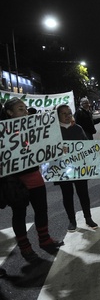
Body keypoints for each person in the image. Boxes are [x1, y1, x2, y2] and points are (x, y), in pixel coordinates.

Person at [1, 98, 64, 262]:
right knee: (19, 214)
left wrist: (57, 147)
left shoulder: (33, 127)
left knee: (41, 209)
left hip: (34, 176)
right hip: (15, 181)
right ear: (10, 113)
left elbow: (44, 145)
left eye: (25, 109)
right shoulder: (3, 132)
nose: (25, 112)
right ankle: (25, 247)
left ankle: (45, 239)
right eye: (20, 109)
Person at [56, 104, 98, 232]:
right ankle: (72, 220)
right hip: (63, 169)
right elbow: (47, 150)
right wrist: (58, 149)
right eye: (64, 113)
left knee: (83, 193)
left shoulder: (78, 128)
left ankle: (88, 218)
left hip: (79, 168)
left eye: (69, 113)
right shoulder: (53, 131)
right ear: (57, 115)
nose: (68, 116)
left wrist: (95, 151)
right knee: (67, 195)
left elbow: (86, 145)